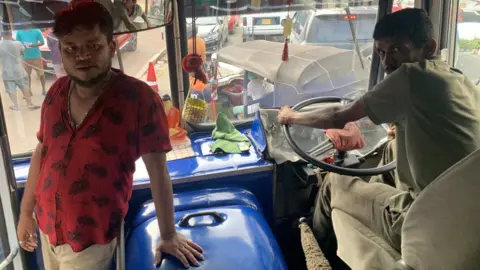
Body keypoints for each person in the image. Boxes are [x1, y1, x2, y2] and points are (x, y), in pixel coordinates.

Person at [278, 8, 480, 262]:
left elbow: (339, 116)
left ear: (429, 47)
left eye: (397, 49)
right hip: (464, 220)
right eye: (382, 52)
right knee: (388, 151)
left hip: (422, 220)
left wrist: (290, 117)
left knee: (333, 183)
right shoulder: (458, 80)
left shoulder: (410, 76)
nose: (387, 61)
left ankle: (310, 256)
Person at [16, 2, 203, 269]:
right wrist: (25, 214)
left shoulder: (138, 99)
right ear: (62, 52)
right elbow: (41, 152)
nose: (82, 56)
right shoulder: (56, 93)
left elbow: (158, 173)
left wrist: (169, 234)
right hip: (48, 227)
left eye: (92, 46)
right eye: (71, 48)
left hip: (91, 241)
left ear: (111, 47)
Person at [0, 31, 40, 110]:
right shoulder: (17, 43)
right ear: (11, 34)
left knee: (10, 88)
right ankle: (29, 104)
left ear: (1, 35)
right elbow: (22, 52)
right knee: (24, 86)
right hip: (18, 70)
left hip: (6, 71)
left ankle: (15, 105)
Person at [15, 28, 47, 95]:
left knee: (41, 74)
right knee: (27, 76)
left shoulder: (36, 30)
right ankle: (29, 91)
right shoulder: (19, 31)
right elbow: (17, 43)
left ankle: (44, 90)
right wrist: (22, 46)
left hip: (36, 57)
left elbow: (42, 42)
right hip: (25, 57)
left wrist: (33, 45)